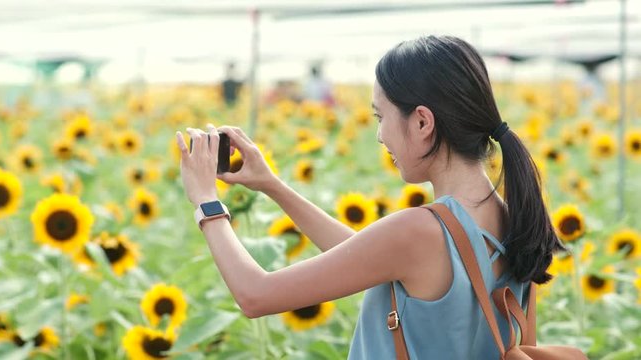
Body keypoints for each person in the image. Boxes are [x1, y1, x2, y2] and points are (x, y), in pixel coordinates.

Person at [175, 35, 564, 359]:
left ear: (423, 122)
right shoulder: (511, 219)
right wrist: (273, 186)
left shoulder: (421, 230)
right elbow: (366, 257)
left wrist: (207, 202)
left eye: (381, 117)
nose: (380, 136)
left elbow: (255, 296)